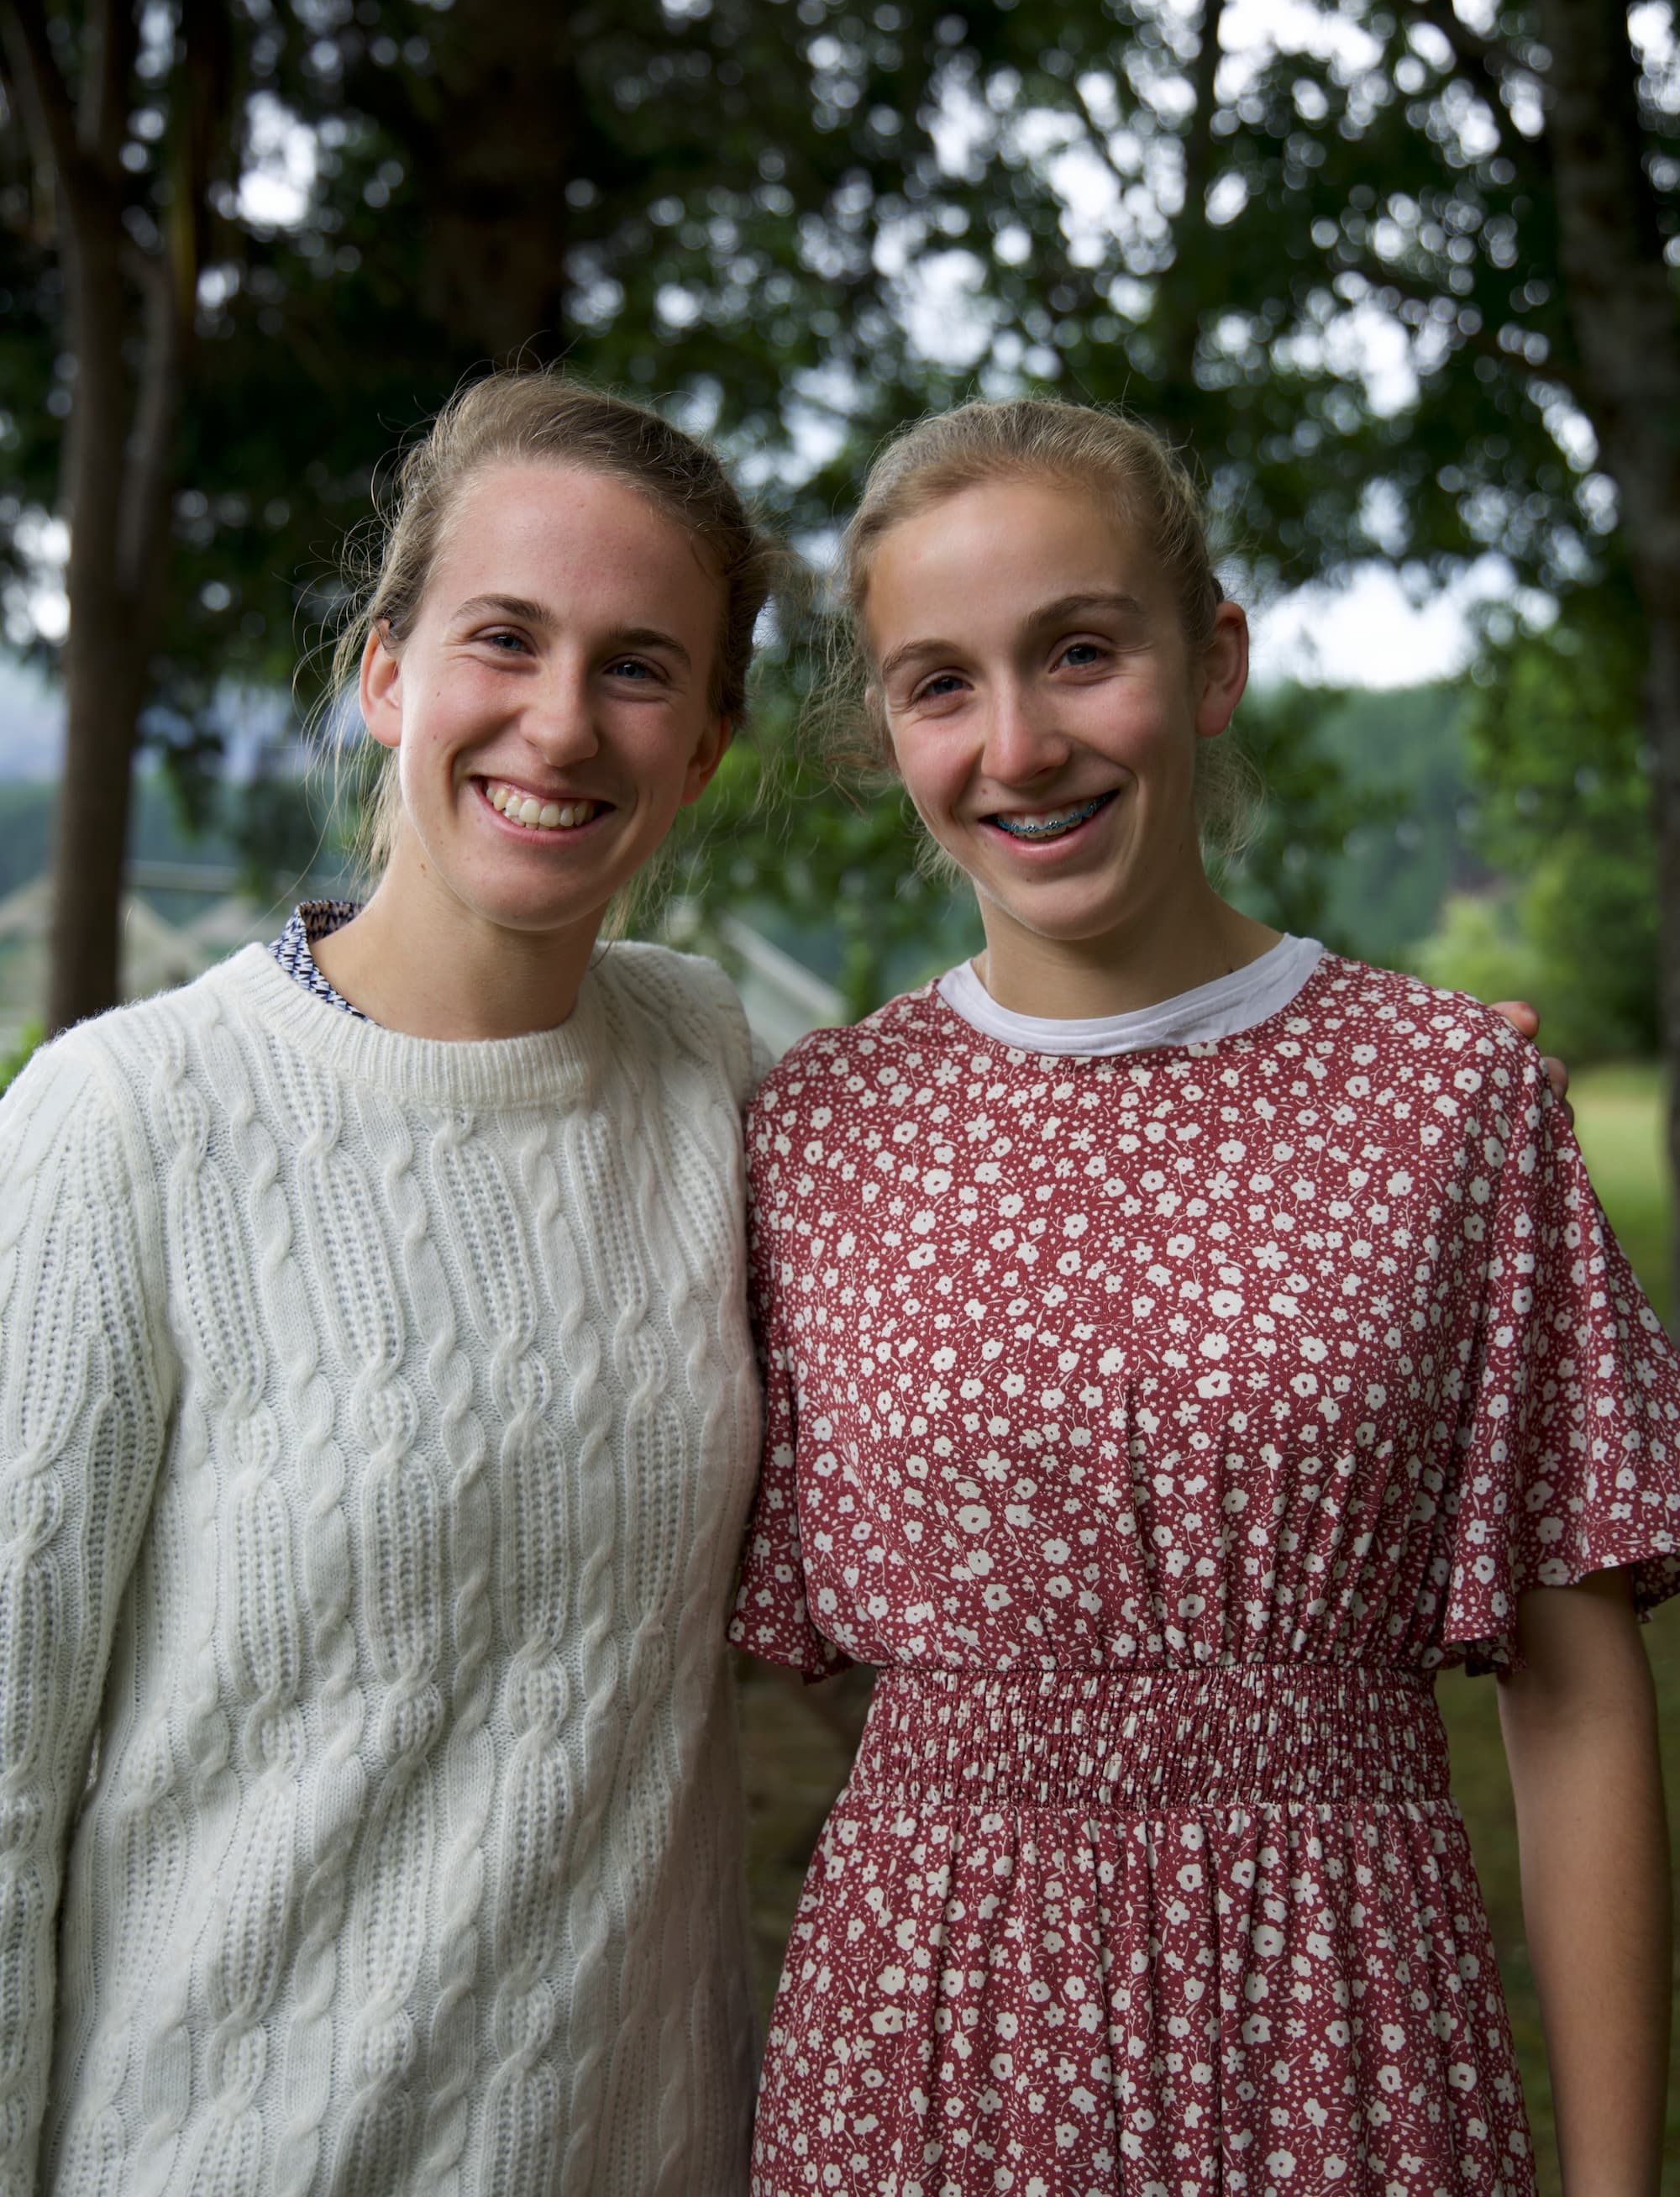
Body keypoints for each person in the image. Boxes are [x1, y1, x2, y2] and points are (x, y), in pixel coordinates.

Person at [730, 398, 1677, 2197]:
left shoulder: (1449, 1097)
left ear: (1211, 658)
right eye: (940, 684)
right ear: (885, 729)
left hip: (1344, 2023)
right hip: (920, 2045)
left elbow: (1574, 1687)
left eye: (1078, 653)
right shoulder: (815, 1134)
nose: (1019, 744)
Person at [0, 373, 783, 2197]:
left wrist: (1340, 1114)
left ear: (708, 745)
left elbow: (1004, 1254)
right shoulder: (122, 1121)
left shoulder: (705, 1062)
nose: (561, 722)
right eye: (501, 638)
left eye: (641, 667)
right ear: (385, 675)